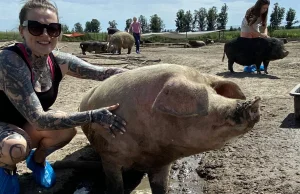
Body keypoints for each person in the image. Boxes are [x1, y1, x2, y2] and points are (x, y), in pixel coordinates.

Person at [0, 0, 128, 193]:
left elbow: (103, 72)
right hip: (4, 126)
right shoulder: (9, 62)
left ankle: (38, 161)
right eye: (35, 27)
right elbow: (40, 119)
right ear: (22, 30)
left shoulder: (58, 61)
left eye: (53, 29)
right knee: (15, 148)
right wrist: (94, 116)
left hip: (25, 125)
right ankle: (6, 169)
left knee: (66, 131)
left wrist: (150, 76)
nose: (45, 35)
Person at [240, 0, 270, 72]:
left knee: (257, 46)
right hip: (246, 27)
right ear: (258, 6)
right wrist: (260, 34)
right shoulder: (250, 12)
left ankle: (256, 65)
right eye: (263, 8)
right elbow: (250, 27)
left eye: (266, 8)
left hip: (255, 26)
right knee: (248, 46)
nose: (265, 10)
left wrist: (265, 34)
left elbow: (264, 26)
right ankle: (248, 66)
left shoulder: (264, 14)